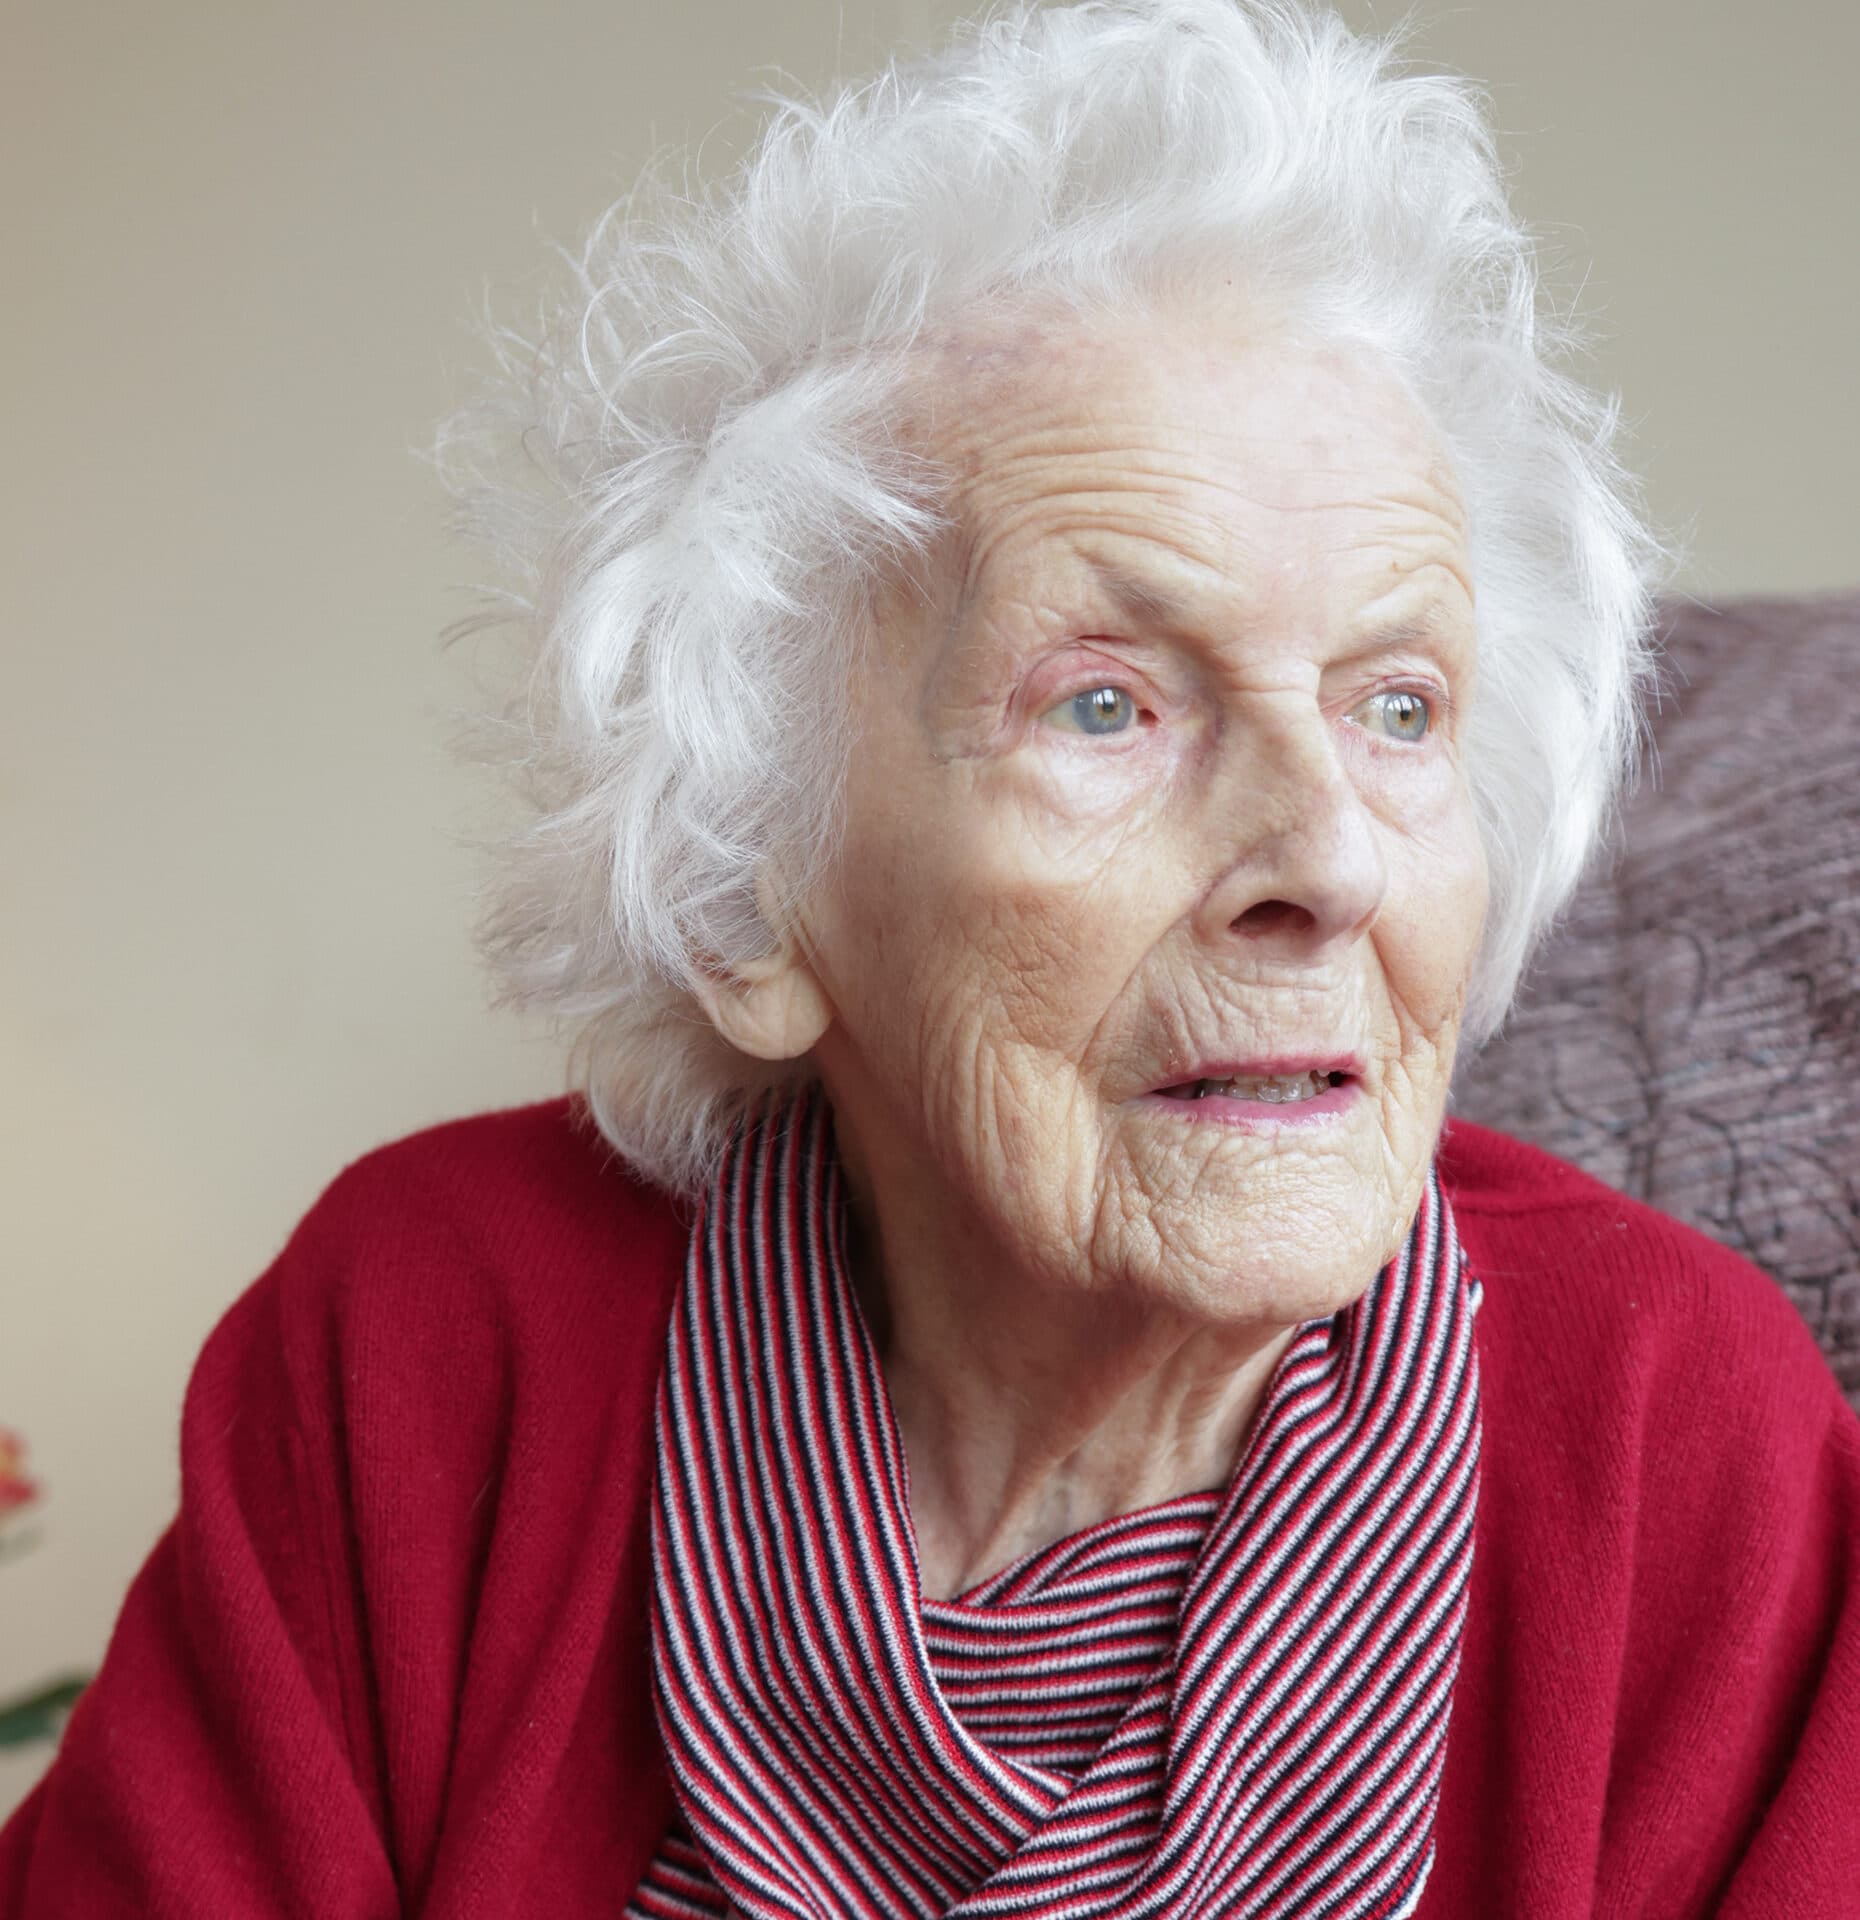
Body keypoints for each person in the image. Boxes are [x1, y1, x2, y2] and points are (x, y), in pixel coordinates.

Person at [4, 2, 1856, 1914]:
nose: (1326, 860)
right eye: (1109, 707)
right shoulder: (430, 1341)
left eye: (1400, 709)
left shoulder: (1677, 1436)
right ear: (753, 896)